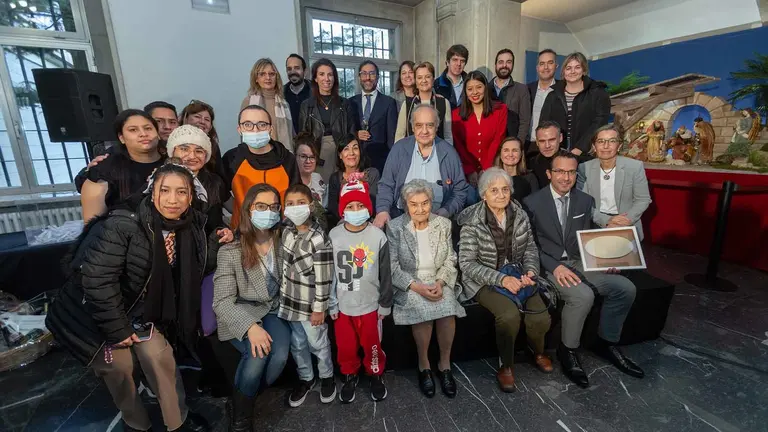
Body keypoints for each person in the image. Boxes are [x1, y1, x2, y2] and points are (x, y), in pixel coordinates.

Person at [47, 162, 220, 432]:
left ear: (191, 197)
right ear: (152, 193)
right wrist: (117, 329)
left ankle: (178, 422)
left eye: (181, 192)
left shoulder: (192, 225)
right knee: (119, 367)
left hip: (142, 313)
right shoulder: (122, 224)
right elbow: (96, 280)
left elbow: (195, 268)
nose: (172, 200)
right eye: (165, 190)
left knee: (159, 357)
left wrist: (218, 242)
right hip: (93, 315)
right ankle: (137, 424)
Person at [524, 151, 644, 389]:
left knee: (626, 288)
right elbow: (528, 246)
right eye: (559, 171)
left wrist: (604, 259)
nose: (565, 177)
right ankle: (567, 350)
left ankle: (606, 342)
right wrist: (554, 266)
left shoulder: (585, 201)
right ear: (549, 174)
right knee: (582, 295)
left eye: (570, 172)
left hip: (580, 262)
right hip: (549, 266)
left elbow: (590, 237)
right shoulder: (531, 203)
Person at [458, 167, 552, 392]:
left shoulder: (519, 213)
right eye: (494, 190)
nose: (501, 195)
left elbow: (529, 247)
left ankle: (536, 351)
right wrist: (501, 280)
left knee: (540, 316)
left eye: (505, 189)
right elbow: (467, 264)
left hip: (518, 273)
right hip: (485, 280)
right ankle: (506, 366)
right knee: (509, 316)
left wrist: (530, 272)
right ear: (483, 194)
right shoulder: (473, 221)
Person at [213, 183, 292, 431]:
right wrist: (249, 328)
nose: (267, 212)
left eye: (273, 207)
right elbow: (222, 301)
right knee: (258, 355)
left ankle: (244, 398)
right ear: (248, 209)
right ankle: (241, 419)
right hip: (242, 310)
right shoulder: (231, 250)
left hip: (274, 309)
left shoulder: (285, 240)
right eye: (260, 206)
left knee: (279, 356)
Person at [387, 179, 465, 398]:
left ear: (431, 202)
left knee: (447, 308)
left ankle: (445, 365)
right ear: (406, 205)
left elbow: (450, 259)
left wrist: (440, 283)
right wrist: (418, 287)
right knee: (422, 312)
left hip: (438, 279)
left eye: (425, 203)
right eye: (414, 204)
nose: (420, 209)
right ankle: (424, 365)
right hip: (411, 282)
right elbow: (392, 267)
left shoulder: (443, 224)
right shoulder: (395, 227)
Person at [329, 179, 393, 403]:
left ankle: (375, 374)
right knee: (345, 346)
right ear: (342, 210)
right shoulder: (334, 236)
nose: (355, 211)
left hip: (370, 304)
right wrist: (331, 303)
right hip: (343, 305)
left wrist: (385, 303)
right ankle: (349, 375)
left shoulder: (378, 236)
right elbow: (328, 274)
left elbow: (386, 274)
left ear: (368, 208)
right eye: (349, 206)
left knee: (372, 344)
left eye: (360, 206)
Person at [278, 184, 336, 407]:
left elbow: (324, 277)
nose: (295, 208)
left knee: (318, 343)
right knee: (298, 344)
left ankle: (326, 376)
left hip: (311, 306)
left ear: (311, 206)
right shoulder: (286, 232)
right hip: (290, 303)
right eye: (290, 204)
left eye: (300, 203)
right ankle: (306, 378)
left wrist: (320, 308)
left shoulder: (319, 239)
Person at [375, 105, 469, 228]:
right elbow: (386, 185)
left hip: (437, 220)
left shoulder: (449, 152)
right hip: (402, 219)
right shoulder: (399, 149)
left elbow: (460, 190)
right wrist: (383, 210)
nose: (424, 131)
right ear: (413, 127)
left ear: (436, 127)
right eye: (419, 125)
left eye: (429, 125)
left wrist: (446, 211)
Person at [222, 105, 301, 228]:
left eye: (262, 125)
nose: (255, 130)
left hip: (281, 230)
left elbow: (296, 194)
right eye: (247, 124)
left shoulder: (287, 159)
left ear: (270, 128)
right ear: (239, 129)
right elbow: (222, 193)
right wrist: (241, 211)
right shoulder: (232, 159)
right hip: (242, 231)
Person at [80, 109, 164, 222]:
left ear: (158, 134)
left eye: (148, 128)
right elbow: (92, 228)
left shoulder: (173, 163)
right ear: (121, 138)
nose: (143, 134)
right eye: (133, 130)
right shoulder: (104, 170)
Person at [577, 125, 651, 240]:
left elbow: (643, 199)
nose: (606, 146)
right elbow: (582, 203)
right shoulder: (584, 168)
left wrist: (625, 221)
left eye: (612, 141)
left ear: (619, 146)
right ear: (594, 146)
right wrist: (606, 221)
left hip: (627, 225)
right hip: (595, 225)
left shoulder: (635, 167)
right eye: (601, 141)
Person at [539, 52, 610, 158]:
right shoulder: (553, 95)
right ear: (563, 71)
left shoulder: (598, 93)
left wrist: (580, 148)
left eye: (577, 67)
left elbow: (599, 122)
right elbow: (544, 123)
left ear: (584, 70)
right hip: (557, 155)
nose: (572, 71)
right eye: (568, 68)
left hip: (587, 154)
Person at [452, 71, 508, 202]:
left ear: (485, 88)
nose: (474, 92)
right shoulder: (456, 115)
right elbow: (458, 146)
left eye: (479, 87)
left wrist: (486, 170)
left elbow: (498, 140)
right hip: (466, 173)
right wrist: (470, 170)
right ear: (465, 91)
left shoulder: (500, 110)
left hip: (492, 170)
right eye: (470, 89)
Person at [298, 58, 357, 182]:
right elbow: (302, 137)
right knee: (320, 189)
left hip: (341, 151)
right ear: (315, 78)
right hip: (317, 153)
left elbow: (351, 133)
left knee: (341, 187)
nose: (326, 79)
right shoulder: (306, 105)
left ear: (334, 78)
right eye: (322, 74)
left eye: (330, 75)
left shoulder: (344, 103)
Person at [165, 125, 230, 234]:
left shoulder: (215, 182)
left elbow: (231, 211)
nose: (192, 156)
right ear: (173, 152)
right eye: (184, 149)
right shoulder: (159, 181)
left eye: (199, 151)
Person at [350, 60, 398, 173]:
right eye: (364, 73)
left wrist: (392, 163)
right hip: (355, 161)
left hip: (380, 163)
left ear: (377, 77)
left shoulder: (389, 102)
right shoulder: (350, 102)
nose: (368, 77)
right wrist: (355, 134)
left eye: (372, 73)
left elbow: (391, 136)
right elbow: (346, 131)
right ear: (359, 77)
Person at [241, 58, 295, 153]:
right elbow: (244, 133)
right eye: (262, 74)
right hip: (256, 155)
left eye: (271, 74)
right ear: (256, 78)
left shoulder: (284, 104)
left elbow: (292, 134)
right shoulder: (248, 102)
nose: (268, 78)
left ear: (276, 77)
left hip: (281, 155)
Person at [395, 61, 453, 145]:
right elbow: (399, 135)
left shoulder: (443, 103)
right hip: (412, 154)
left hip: (437, 153)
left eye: (427, 76)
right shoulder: (407, 104)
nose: (424, 80)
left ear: (433, 79)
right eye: (419, 77)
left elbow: (448, 135)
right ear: (416, 81)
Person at [327, 135, 380, 224]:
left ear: (360, 152)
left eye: (355, 148)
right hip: (343, 224)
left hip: (368, 222)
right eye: (346, 149)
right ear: (340, 155)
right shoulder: (335, 178)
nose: (351, 153)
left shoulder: (372, 173)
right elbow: (333, 208)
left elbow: (373, 203)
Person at [179, 100, 225, 179]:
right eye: (197, 117)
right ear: (185, 119)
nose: (202, 122)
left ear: (210, 127)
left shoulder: (213, 146)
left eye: (207, 119)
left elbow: (219, 176)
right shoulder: (174, 143)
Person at [493, 49, 531, 142]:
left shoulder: (522, 89)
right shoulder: (485, 88)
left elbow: (525, 122)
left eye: (508, 62)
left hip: (511, 143)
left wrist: (518, 145)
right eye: (501, 62)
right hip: (490, 144)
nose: (504, 65)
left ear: (513, 65)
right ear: (495, 65)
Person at [527, 49, 559, 155]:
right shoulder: (527, 89)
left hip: (552, 148)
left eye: (550, 63)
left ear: (556, 66)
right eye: (542, 64)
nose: (546, 67)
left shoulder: (563, 90)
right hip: (528, 147)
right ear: (537, 68)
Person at [294, 132, 328, 228]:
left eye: (312, 157)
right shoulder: (290, 182)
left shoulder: (318, 178)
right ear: (295, 157)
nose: (308, 161)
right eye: (303, 156)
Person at [494, 137, 540, 203]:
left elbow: (535, 203)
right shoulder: (492, 177)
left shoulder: (530, 178)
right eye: (506, 150)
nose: (510, 154)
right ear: (500, 153)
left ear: (521, 154)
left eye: (514, 150)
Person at [528, 121, 564, 188]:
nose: (547, 146)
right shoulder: (529, 164)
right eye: (542, 141)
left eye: (551, 140)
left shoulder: (575, 162)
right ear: (537, 142)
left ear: (560, 138)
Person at [285, 53, 312, 134]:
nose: (293, 72)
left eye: (297, 68)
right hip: (289, 143)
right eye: (289, 69)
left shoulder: (316, 92)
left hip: (311, 142)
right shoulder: (280, 94)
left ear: (305, 71)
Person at [434, 44, 468, 109]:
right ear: (447, 62)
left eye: (462, 61)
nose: (459, 64)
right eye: (455, 60)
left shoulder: (470, 83)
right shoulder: (436, 85)